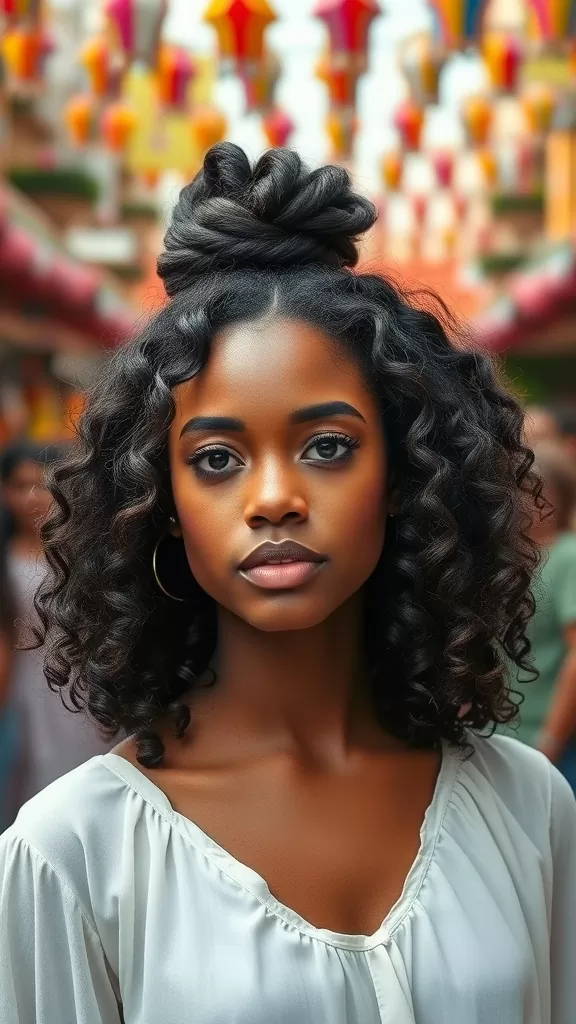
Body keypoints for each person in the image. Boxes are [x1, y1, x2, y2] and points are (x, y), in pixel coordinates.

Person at [0, 144, 575, 1024]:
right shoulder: (73, 852)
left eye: (327, 446)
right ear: (160, 502)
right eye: (218, 459)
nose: (274, 498)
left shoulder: (526, 806)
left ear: (406, 479)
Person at [0, 440, 113, 821]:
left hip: (80, 688)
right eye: (19, 485)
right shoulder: (6, 559)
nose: (33, 497)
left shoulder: (85, 554)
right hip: (20, 694)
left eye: (43, 483)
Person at [503, 440, 576, 789]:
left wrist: (550, 740)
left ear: (555, 498)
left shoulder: (567, 556)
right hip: (501, 739)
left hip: (548, 748)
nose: (517, 499)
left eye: (529, 487)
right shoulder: (510, 562)